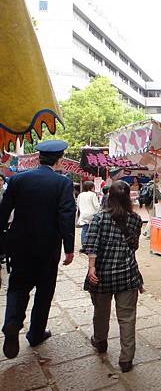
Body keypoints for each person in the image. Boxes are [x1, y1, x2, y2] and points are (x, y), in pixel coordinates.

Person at [0, 140, 76, 359]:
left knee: (17, 287)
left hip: (19, 246)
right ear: (60, 159)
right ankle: (35, 334)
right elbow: (66, 216)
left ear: (38, 158)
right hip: (47, 248)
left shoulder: (18, 180)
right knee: (44, 292)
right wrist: (69, 248)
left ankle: (12, 323)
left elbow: (3, 211)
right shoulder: (62, 183)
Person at [81, 180, 143, 373]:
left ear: (109, 197)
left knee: (101, 312)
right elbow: (134, 246)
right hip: (127, 274)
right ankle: (126, 359)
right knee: (127, 317)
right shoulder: (136, 220)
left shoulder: (99, 218)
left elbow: (91, 245)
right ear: (128, 199)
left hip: (102, 275)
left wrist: (91, 267)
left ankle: (100, 342)